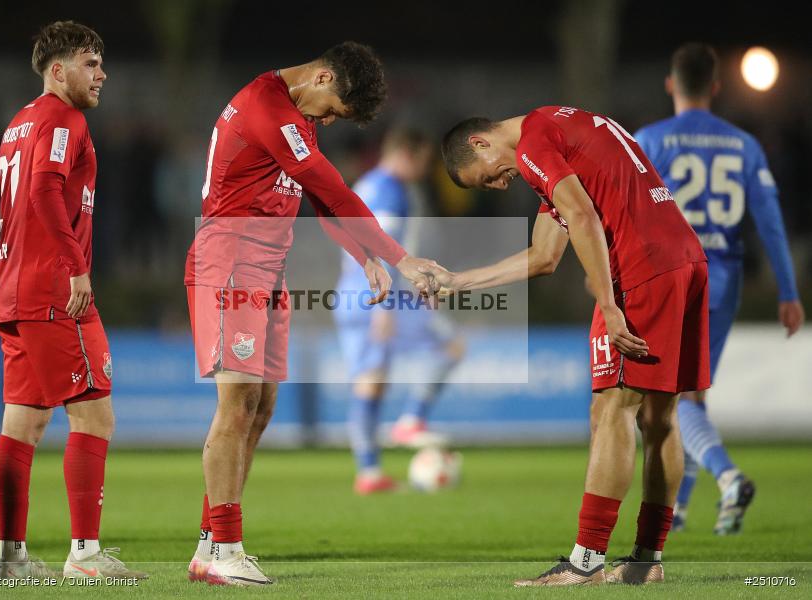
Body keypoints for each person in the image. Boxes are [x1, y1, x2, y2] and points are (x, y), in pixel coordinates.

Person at [184, 42, 438, 586]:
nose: (328, 120)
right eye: (333, 110)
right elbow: (333, 189)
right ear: (322, 77)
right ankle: (226, 549)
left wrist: (363, 255)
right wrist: (400, 258)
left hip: (269, 268)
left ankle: (210, 546)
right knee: (237, 403)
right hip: (230, 262)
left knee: (260, 407)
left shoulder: (298, 117)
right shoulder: (266, 106)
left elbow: (321, 203)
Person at [432, 106, 709, 586]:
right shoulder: (561, 131)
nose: (499, 185)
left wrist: (609, 303)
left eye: (487, 177)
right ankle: (646, 560)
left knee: (612, 409)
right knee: (659, 418)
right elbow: (544, 256)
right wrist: (458, 282)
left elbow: (581, 215)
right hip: (684, 260)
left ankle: (585, 563)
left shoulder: (534, 141)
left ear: (480, 142)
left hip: (641, 269)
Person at [0, 21, 144, 580]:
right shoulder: (63, 118)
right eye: (90, 63)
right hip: (55, 290)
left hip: (12, 289)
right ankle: (85, 555)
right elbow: (44, 189)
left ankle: (12, 559)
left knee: (22, 426)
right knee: (95, 415)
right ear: (58, 71)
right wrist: (76, 268)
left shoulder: (18, 123)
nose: (102, 74)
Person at [634, 43, 805, 535]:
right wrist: (788, 291)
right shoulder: (743, 145)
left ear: (671, 84)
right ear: (714, 87)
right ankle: (680, 509)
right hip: (723, 279)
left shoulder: (650, 140)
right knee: (692, 393)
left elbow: (632, 214)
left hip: (673, 278)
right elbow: (770, 222)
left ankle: (729, 478)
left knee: (669, 400)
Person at [334, 127, 465, 494]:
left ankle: (369, 473)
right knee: (452, 345)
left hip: (351, 293)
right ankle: (413, 420)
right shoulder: (391, 189)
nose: (424, 170)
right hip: (378, 295)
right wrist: (387, 305)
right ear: (407, 154)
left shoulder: (365, 185)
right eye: (423, 161)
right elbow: (383, 244)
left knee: (370, 381)